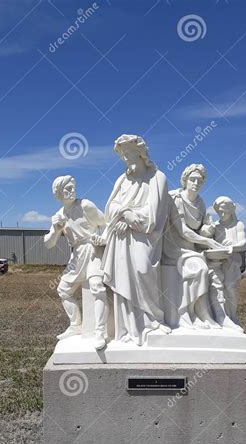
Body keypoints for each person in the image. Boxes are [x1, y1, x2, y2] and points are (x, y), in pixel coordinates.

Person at [102, 134, 171, 345]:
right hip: (121, 237)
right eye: (122, 154)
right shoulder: (121, 180)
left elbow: (156, 212)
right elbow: (110, 208)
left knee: (143, 269)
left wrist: (131, 218)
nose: (125, 158)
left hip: (145, 236)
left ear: (140, 152)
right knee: (122, 279)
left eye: (128, 152)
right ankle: (127, 329)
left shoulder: (157, 178)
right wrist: (122, 215)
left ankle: (152, 319)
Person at [44, 175, 108, 350]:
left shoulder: (85, 205)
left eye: (72, 187)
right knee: (63, 289)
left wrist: (102, 239)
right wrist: (56, 230)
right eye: (66, 189)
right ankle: (75, 325)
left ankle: (100, 332)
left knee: (96, 287)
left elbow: (107, 223)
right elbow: (49, 243)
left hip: (93, 250)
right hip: (77, 255)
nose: (71, 191)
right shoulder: (59, 216)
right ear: (58, 194)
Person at [163, 164, 225, 329]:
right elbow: (182, 230)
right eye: (192, 179)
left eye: (199, 180)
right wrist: (208, 242)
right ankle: (187, 313)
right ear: (185, 180)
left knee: (208, 269)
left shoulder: (201, 203)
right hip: (173, 248)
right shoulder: (175, 198)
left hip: (192, 248)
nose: (195, 183)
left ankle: (203, 313)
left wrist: (208, 230)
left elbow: (200, 231)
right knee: (199, 269)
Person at [200, 196, 246, 329]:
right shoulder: (216, 225)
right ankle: (221, 316)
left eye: (225, 211)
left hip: (232, 262)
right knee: (216, 288)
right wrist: (207, 228)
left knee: (230, 289)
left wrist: (233, 247)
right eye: (219, 211)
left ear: (232, 209)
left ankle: (232, 316)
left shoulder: (238, 225)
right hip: (217, 261)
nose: (222, 214)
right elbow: (206, 237)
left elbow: (243, 243)